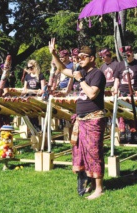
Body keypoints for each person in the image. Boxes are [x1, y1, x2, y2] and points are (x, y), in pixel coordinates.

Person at [49, 38, 106, 200]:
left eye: (83, 57)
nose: (79, 59)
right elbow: (61, 69)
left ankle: (99, 188)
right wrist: (54, 54)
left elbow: (92, 94)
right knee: (83, 152)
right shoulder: (80, 71)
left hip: (94, 118)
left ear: (92, 58)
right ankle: (92, 184)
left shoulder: (97, 74)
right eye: (78, 57)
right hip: (81, 119)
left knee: (94, 152)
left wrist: (80, 79)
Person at [112, 46, 137, 143]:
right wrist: (115, 89)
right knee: (122, 115)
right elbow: (117, 79)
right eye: (125, 55)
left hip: (134, 93)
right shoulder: (119, 65)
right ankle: (124, 134)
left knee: (135, 114)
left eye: (128, 54)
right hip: (122, 93)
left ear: (132, 53)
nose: (127, 56)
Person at [22, 60, 46, 131]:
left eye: (31, 67)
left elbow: (43, 90)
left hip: (37, 98)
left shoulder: (40, 75)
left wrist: (32, 91)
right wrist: (33, 91)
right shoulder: (27, 76)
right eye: (28, 67)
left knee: (35, 113)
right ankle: (35, 128)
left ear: (35, 66)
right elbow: (24, 89)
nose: (29, 69)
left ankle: (37, 128)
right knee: (28, 113)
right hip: (28, 97)